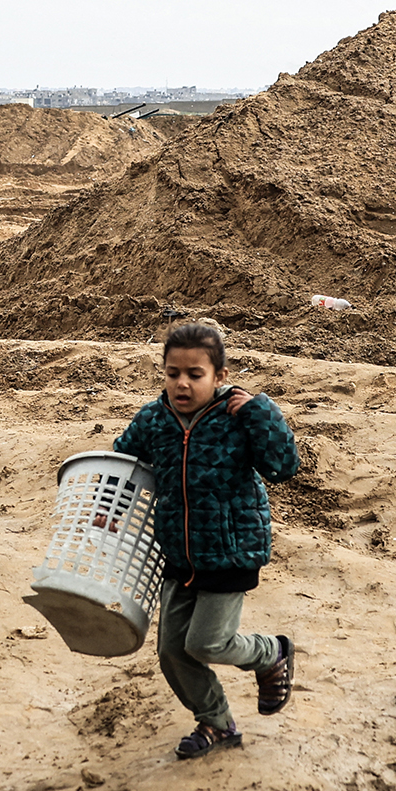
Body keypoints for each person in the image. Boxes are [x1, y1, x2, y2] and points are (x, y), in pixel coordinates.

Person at [110, 322, 301, 760]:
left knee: (206, 643)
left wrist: (260, 411)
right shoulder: (153, 419)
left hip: (230, 552)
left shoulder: (238, 418)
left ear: (219, 375)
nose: (182, 383)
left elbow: (283, 466)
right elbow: (122, 460)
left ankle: (271, 653)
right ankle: (216, 723)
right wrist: (109, 507)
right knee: (172, 652)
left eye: (195, 374)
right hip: (177, 555)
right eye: (173, 372)